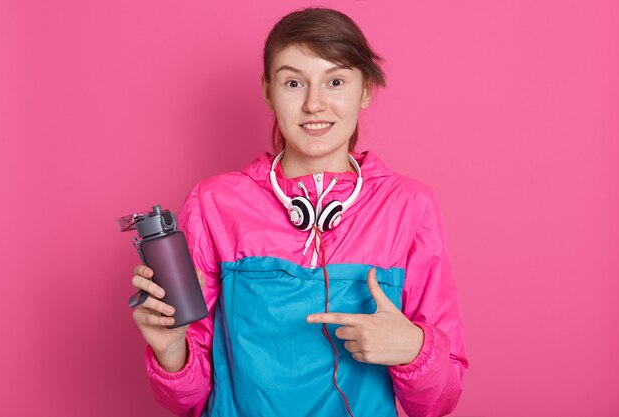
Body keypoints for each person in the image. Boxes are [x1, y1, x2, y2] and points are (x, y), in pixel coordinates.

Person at [130, 7, 468, 417]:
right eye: (293, 82)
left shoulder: (410, 206)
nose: (314, 104)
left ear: (364, 91)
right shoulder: (213, 203)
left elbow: (439, 402)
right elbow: (190, 400)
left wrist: (413, 349)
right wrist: (171, 350)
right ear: (268, 91)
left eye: (336, 81)